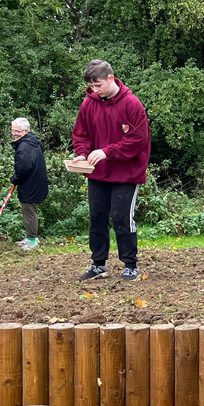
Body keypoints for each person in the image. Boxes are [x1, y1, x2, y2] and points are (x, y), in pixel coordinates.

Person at [71, 60, 150, 281]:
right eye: (91, 86)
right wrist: (82, 153)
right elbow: (81, 135)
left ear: (111, 79)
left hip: (126, 173)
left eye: (98, 86)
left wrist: (108, 151)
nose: (94, 91)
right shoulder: (88, 104)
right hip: (98, 173)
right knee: (97, 216)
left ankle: (130, 265)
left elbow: (138, 140)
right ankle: (98, 264)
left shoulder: (132, 104)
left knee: (121, 217)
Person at [10, 118, 48, 251]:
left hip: (31, 183)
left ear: (26, 131)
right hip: (35, 180)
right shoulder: (33, 141)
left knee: (29, 211)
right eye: (13, 130)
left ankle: (32, 240)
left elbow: (24, 168)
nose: (14, 133)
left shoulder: (24, 147)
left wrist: (15, 178)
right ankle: (30, 237)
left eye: (17, 131)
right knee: (31, 209)